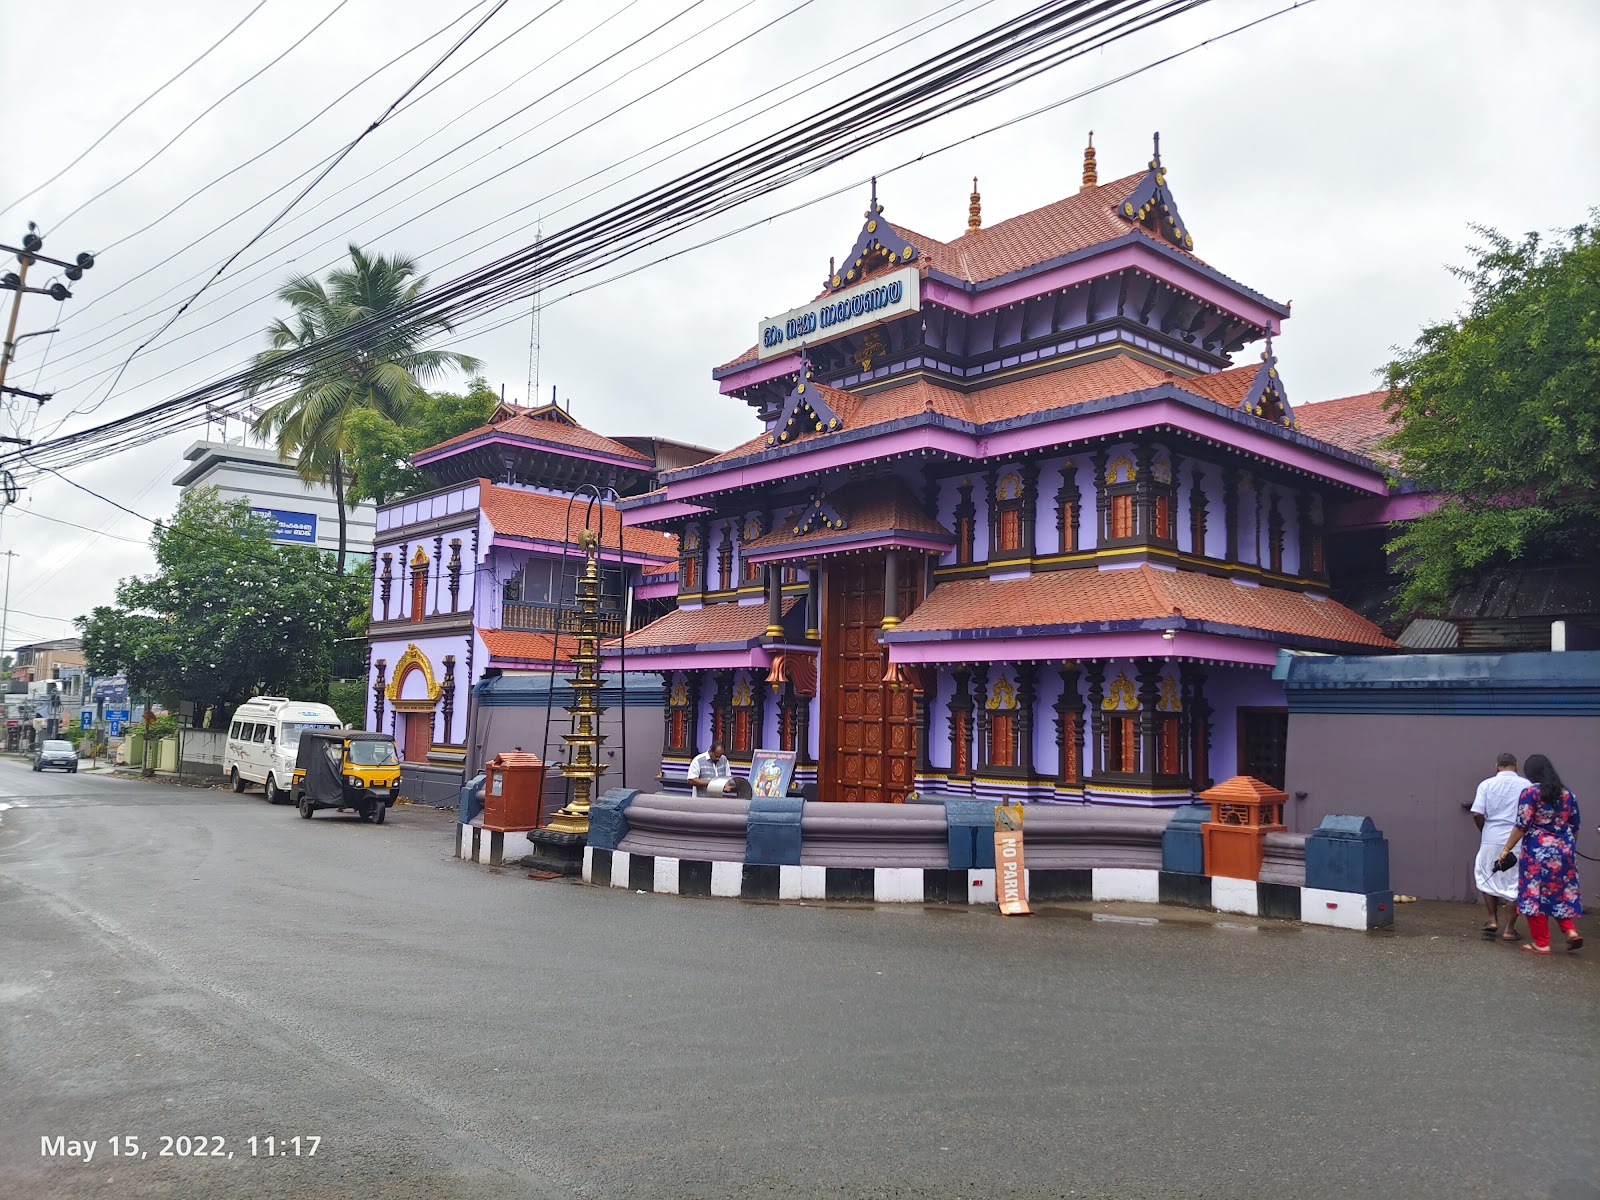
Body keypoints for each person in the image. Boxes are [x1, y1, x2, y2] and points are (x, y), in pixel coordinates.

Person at [1497, 753, 1583, 955]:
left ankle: (1542, 942)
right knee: (1559, 891)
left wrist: (1506, 848)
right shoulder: (1567, 794)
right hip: (1564, 850)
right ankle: (1569, 931)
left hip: (1538, 851)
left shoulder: (1531, 793)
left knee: (1533, 894)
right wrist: (1567, 850)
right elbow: (1575, 824)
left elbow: (1522, 825)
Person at [1470, 752, 1530, 940]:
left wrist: (1484, 829)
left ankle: (1492, 920)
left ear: (1497, 766)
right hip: (1518, 839)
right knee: (1515, 882)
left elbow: (1477, 814)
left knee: (1488, 875)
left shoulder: (1486, 785)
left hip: (1491, 837)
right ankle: (1509, 930)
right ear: (1516, 767)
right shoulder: (1527, 786)